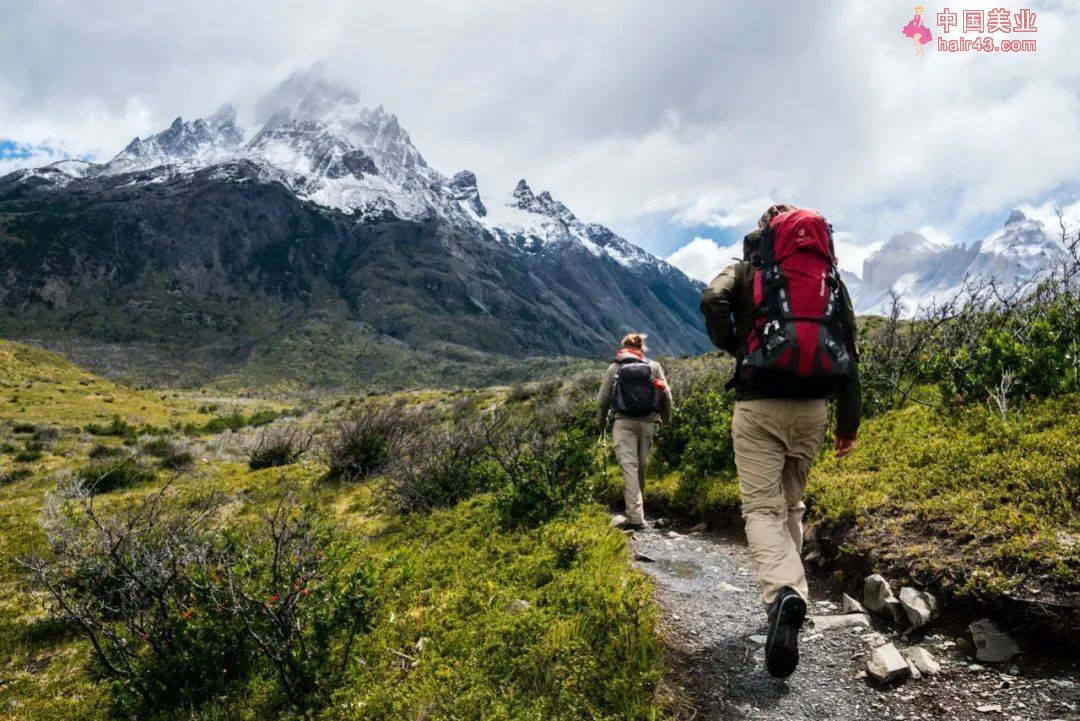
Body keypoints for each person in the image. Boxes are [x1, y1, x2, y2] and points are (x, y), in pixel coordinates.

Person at [700, 204, 861, 679]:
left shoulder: (750, 268)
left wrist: (736, 345)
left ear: (766, 231)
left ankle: (783, 595)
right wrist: (847, 426)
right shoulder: (827, 277)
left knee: (761, 510)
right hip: (813, 408)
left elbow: (712, 300)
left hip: (759, 404)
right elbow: (849, 347)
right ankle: (791, 597)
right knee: (791, 505)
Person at [596, 333, 672, 531]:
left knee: (629, 466)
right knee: (641, 466)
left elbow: (602, 400)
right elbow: (667, 394)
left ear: (624, 347)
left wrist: (601, 423)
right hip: (647, 423)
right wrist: (665, 418)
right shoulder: (653, 366)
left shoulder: (615, 367)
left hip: (622, 423)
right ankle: (637, 511)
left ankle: (636, 517)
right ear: (642, 348)